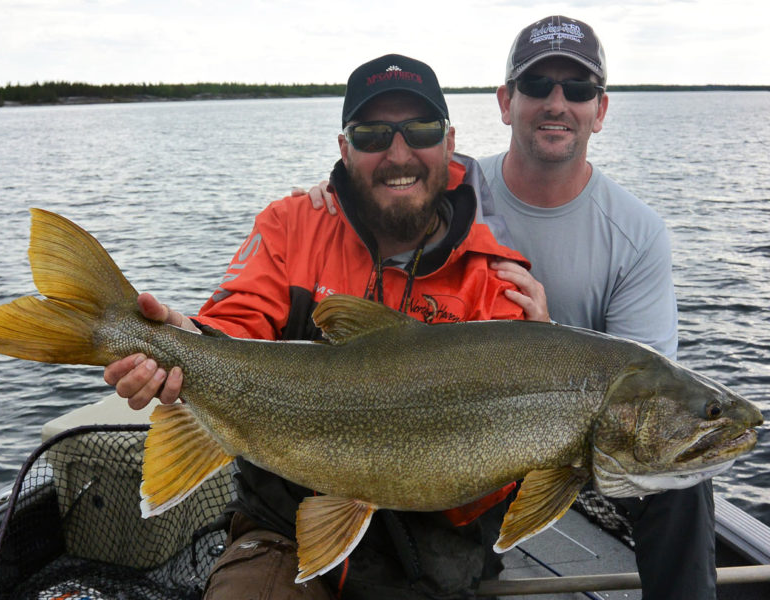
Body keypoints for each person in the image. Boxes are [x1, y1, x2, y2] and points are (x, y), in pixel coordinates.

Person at [308, 16, 715, 600]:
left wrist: (548, 336)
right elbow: (382, 175)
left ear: (600, 110)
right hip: (465, 425)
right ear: (505, 102)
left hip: (580, 437)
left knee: (683, 486)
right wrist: (328, 192)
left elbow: (645, 390)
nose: (557, 103)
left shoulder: (637, 233)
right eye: (537, 86)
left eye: (578, 90)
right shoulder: (455, 184)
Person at [105, 54, 540, 599]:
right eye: (373, 134)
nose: (399, 153)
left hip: (432, 560)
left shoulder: (497, 281)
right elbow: (232, 323)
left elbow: (479, 498)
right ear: (345, 149)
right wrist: (179, 340)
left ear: (449, 143)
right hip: (281, 531)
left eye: (421, 130)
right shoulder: (293, 226)